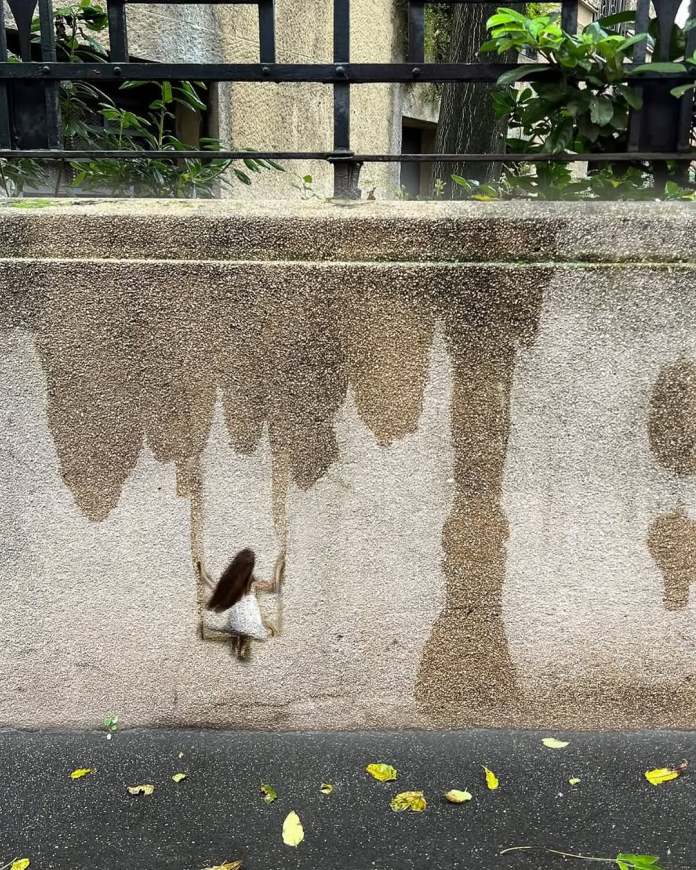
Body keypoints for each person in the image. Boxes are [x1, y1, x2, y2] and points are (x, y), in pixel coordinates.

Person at [198, 548, 284, 660]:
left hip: (233, 622)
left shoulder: (232, 582)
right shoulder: (252, 582)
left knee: (241, 614)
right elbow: (273, 587)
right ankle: (242, 643)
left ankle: (240, 642)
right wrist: (279, 569)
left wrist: (203, 573)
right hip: (248, 623)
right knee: (250, 615)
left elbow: (214, 587)